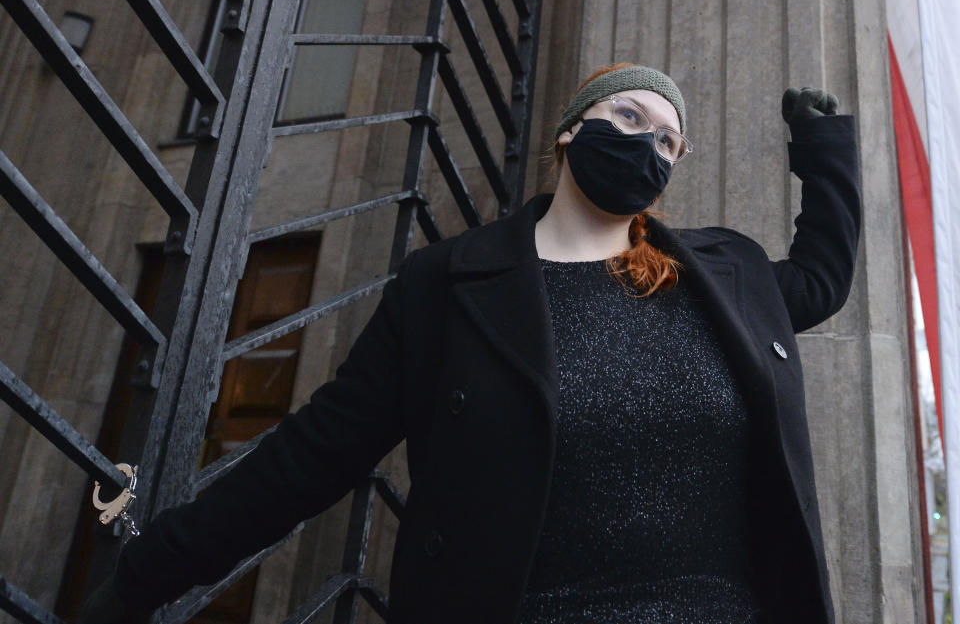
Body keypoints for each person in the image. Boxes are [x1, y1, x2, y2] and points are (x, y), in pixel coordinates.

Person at [80, 63, 860, 624]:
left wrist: (823, 147)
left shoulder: (722, 280)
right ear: (570, 129)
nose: (648, 146)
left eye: (668, 142)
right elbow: (314, 455)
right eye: (628, 118)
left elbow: (822, 278)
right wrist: (148, 574)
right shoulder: (448, 286)